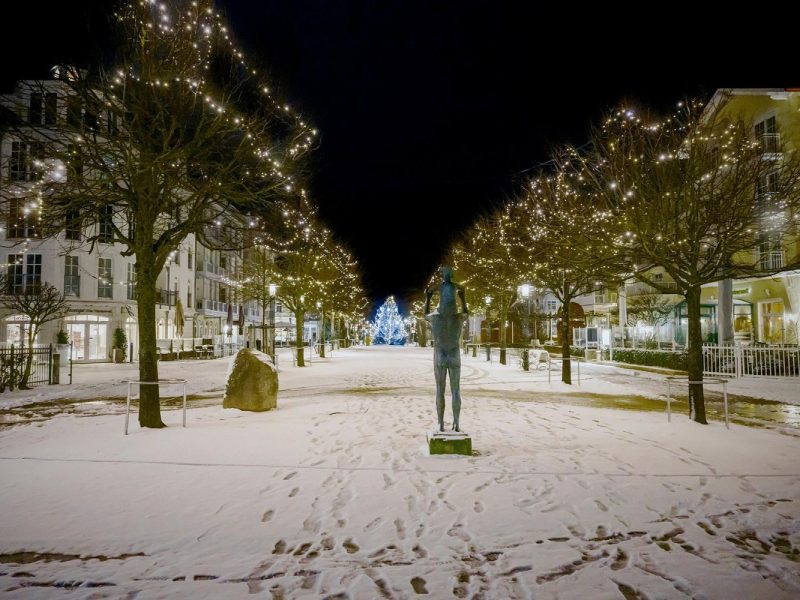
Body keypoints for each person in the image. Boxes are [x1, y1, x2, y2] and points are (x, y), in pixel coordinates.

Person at [425, 266, 469, 432]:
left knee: (440, 390)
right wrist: (463, 297)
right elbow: (466, 312)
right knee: (456, 390)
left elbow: (425, 314)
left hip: (440, 354)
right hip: (454, 354)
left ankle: (440, 423)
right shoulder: (458, 317)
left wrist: (428, 298)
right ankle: (456, 423)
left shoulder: (435, 318)